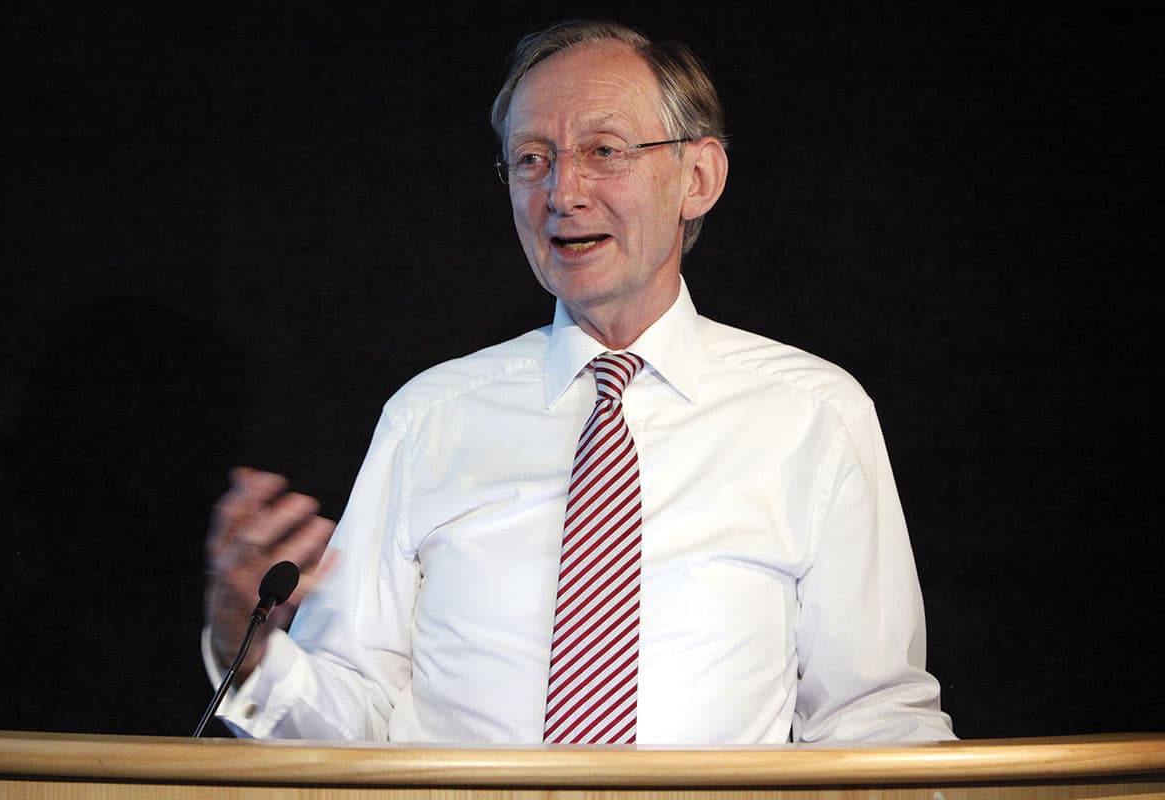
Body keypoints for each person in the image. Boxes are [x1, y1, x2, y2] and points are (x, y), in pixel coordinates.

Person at [202, 18, 954, 744]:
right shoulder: (428, 417)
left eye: (603, 151)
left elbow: (872, 719)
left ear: (697, 178)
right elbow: (347, 723)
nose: (562, 192)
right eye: (531, 159)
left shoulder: (814, 415)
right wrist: (249, 643)